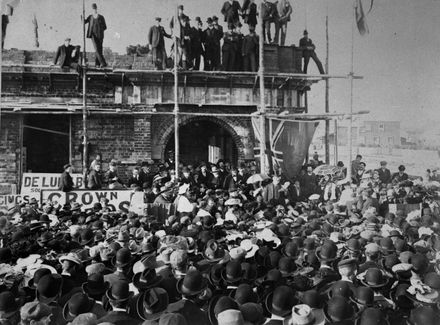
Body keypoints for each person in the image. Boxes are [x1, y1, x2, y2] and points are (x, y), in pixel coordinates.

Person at [84, 3, 107, 68]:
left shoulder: (101, 17)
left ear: (97, 9)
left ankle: (97, 64)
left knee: (99, 50)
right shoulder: (90, 17)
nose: (94, 10)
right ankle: (103, 63)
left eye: (95, 9)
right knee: (96, 49)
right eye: (93, 9)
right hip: (93, 35)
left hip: (100, 36)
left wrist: (100, 30)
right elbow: (84, 22)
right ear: (91, 10)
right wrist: (82, 18)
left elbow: (105, 27)